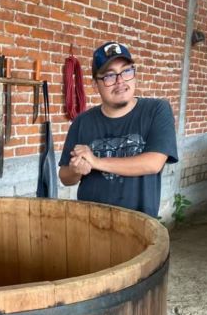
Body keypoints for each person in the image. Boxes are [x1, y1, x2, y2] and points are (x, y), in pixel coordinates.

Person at [58, 41, 178, 217]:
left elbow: (153, 163)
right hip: (89, 225)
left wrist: (95, 162)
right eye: (109, 76)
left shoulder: (156, 110)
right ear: (95, 84)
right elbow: (64, 176)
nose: (120, 81)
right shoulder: (82, 122)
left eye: (126, 71)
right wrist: (75, 171)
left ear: (134, 74)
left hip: (139, 227)